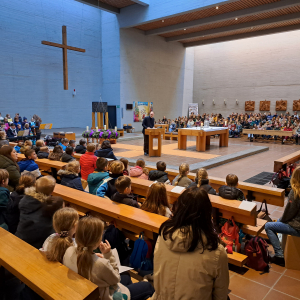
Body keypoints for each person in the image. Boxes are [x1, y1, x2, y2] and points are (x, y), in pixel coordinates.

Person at [152, 186, 229, 300]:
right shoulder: (217, 252)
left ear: (179, 209)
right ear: (208, 214)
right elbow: (220, 296)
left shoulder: (163, 237)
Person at [63, 216, 154, 300]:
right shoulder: (100, 264)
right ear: (97, 240)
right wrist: (108, 255)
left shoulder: (69, 250)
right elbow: (116, 278)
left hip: (87, 289)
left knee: (126, 276)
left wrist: (94, 256)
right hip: (104, 295)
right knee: (147, 286)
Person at [15, 176, 63, 249]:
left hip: (21, 236)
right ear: (52, 192)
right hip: (38, 244)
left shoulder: (25, 199)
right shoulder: (50, 207)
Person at [265, 166, 300, 267]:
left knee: (269, 226)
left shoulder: (295, 192)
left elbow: (289, 213)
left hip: (297, 227)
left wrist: (281, 220)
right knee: (278, 222)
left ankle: (279, 255)